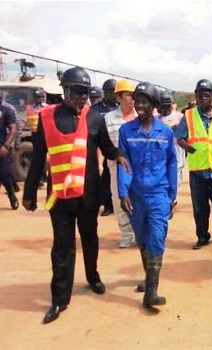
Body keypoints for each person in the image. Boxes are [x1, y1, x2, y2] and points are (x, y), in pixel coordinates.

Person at [22, 67, 129, 324]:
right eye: (77, 92)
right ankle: (59, 298)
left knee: (90, 240)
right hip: (59, 196)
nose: (82, 97)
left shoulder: (94, 118)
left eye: (85, 93)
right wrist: (29, 194)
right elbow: (38, 159)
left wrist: (119, 155)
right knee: (63, 246)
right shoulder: (47, 118)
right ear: (65, 90)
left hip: (88, 194)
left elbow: (105, 146)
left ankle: (93, 277)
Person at [118, 82, 177, 308]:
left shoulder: (166, 132)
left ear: (153, 105)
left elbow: (172, 163)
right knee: (142, 240)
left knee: (156, 238)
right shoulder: (126, 131)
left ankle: (151, 293)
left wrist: (171, 195)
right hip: (135, 196)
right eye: (137, 101)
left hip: (158, 195)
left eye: (144, 102)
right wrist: (123, 192)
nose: (139, 105)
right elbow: (124, 164)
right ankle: (148, 280)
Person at [175, 79, 212, 248]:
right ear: (196, 97)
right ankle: (203, 236)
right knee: (200, 208)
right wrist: (187, 147)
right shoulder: (189, 116)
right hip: (198, 170)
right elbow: (179, 137)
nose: (203, 99)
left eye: (207, 95)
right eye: (200, 96)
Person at [104, 79, 137, 248]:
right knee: (119, 201)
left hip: (139, 167)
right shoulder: (109, 119)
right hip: (116, 167)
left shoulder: (141, 117)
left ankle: (139, 233)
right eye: (128, 95)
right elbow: (103, 145)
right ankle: (126, 234)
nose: (131, 99)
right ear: (118, 98)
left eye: (134, 96)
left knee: (138, 199)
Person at [92, 79, 119, 217]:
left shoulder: (121, 109)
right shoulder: (96, 110)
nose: (112, 95)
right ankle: (108, 205)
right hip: (102, 148)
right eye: (109, 92)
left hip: (117, 147)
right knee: (106, 179)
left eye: (114, 92)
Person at [158, 89, 186, 198]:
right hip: (161, 148)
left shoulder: (179, 116)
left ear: (170, 105)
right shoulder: (156, 117)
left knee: (176, 170)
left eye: (164, 106)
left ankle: (172, 196)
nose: (162, 110)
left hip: (176, 146)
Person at [0, 91, 19, 209]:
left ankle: (12, 196)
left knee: (5, 175)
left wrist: (6, 146)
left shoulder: (6, 109)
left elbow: (13, 129)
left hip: (1, 147)